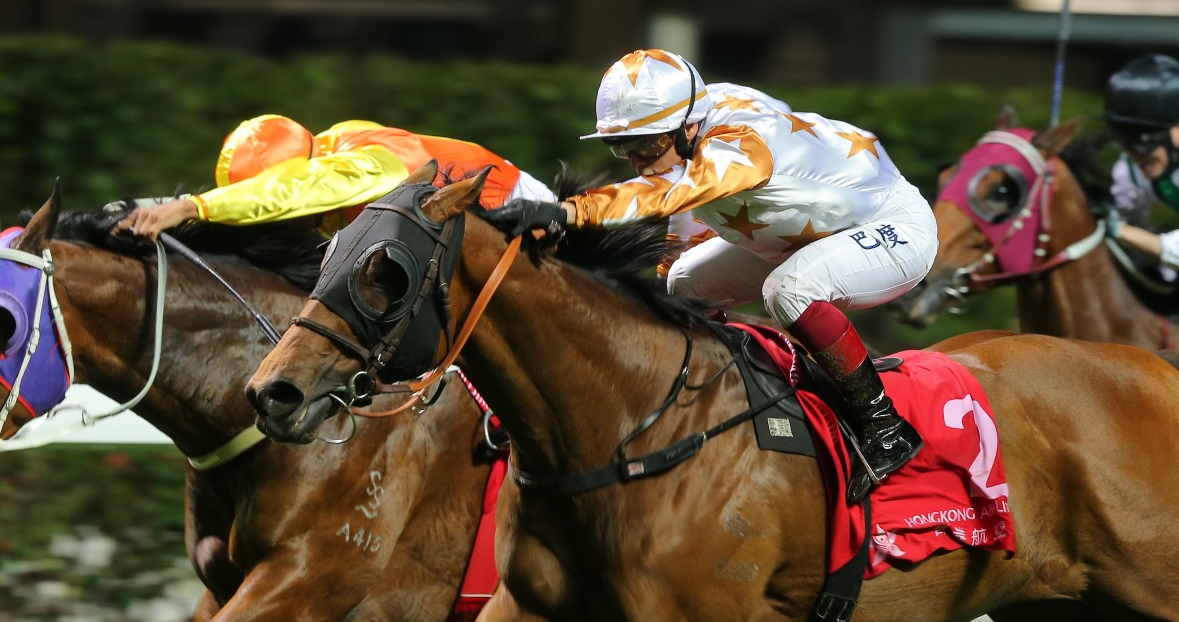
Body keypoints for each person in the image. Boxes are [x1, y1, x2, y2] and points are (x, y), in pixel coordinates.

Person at [486, 49, 937, 502]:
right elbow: (682, 205)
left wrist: (568, 211)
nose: (636, 162)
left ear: (688, 128)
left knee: (788, 291)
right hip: (799, 236)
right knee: (683, 284)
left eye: (645, 146)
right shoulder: (693, 118)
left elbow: (671, 191)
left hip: (893, 226)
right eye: (621, 147)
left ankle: (885, 427)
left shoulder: (744, 144)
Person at [115, 114, 555, 240]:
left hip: (518, 214)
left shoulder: (361, 157)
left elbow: (299, 190)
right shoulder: (324, 158)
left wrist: (197, 205)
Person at [1103, 53, 1179, 286]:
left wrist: (1115, 229)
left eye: (1143, 140)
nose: (1135, 155)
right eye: (1125, 141)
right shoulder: (1130, 171)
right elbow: (1127, 225)